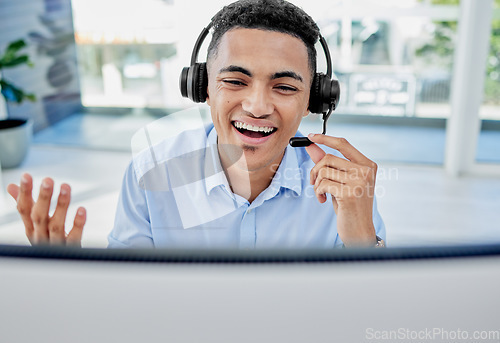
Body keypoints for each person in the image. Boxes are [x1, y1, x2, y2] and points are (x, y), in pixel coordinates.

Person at [7, 0, 385, 249]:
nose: (256, 106)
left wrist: (362, 241)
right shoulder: (150, 173)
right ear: (202, 89)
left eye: (284, 87)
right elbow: (129, 305)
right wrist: (71, 277)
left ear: (312, 102)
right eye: (235, 81)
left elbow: (368, 316)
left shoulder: (343, 188)